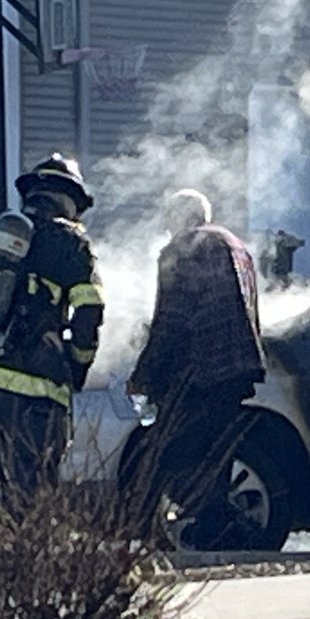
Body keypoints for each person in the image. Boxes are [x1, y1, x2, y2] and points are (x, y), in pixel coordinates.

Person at [0, 153, 104, 519]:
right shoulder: (72, 245)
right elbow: (89, 312)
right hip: (38, 390)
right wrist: (76, 366)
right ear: (70, 201)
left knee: (3, 476)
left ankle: (6, 545)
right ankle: (28, 549)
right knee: (36, 485)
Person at [123, 188, 267, 545]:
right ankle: (217, 529)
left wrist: (144, 374)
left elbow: (171, 320)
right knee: (217, 453)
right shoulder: (236, 246)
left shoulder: (184, 249)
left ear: (180, 216)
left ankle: (174, 527)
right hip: (236, 369)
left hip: (200, 371)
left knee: (176, 451)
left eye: (168, 219)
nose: (167, 227)